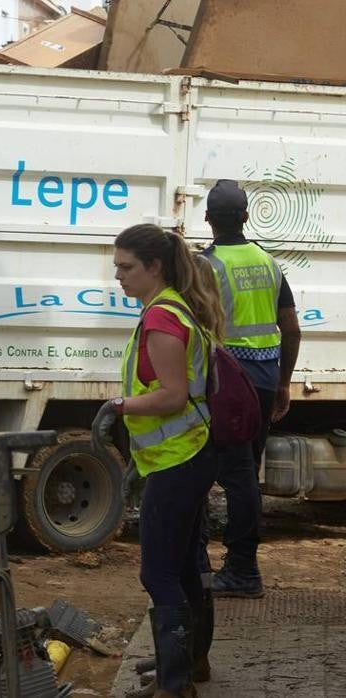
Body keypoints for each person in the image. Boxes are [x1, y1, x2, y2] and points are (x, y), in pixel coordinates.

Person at [92, 224, 227, 697]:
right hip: (182, 456)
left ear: (155, 267)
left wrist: (119, 407)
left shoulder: (162, 319)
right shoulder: (169, 310)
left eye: (126, 267)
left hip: (180, 459)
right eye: (116, 267)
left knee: (159, 572)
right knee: (186, 563)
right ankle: (190, 663)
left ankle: (175, 683)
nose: (119, 277)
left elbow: (171, 396)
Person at [199, 179, 301, 599]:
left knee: (221, 475)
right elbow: (291, 328)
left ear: (208, 219)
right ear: (245, 216)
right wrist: (282, 382)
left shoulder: (206, 266)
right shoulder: (269, 262)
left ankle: (239, 571)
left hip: (226, 384)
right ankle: (237, 566)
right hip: (261, 382)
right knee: (245, 477)